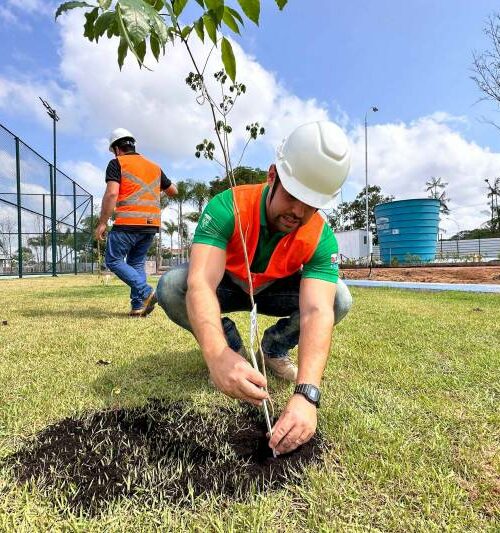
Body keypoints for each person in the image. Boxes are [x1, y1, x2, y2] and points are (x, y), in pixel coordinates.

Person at [156, 121, 352, 454]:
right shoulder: (228, 205)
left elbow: (317, 309)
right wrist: (218, 355)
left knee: (339, 298)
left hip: (275, 288)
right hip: (228, 284)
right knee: (173, 285)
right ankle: (234, 354)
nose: (298, 212)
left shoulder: (320, 235)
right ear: (273, 175)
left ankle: (273, 350)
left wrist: (307, 394)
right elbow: (202, 283)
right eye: (293, 196)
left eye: (312, 204)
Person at [95, 128, 177, 316]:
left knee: (113, 260)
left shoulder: (117, 163)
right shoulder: (154, 166)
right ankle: (138, 306)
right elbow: (173, 190)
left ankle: (147, 291)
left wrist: (102, 223)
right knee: (136, 263)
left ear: (117, 148)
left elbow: (112, 193)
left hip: (128, 222)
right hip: (150, 225)